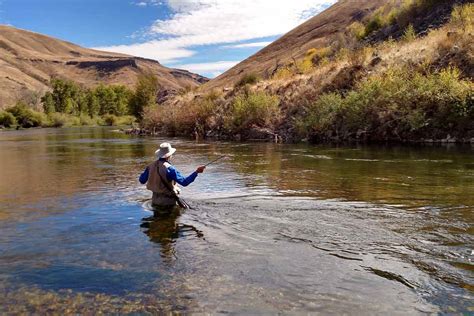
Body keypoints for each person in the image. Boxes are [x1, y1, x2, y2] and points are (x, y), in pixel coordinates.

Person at [139, 142, 205, 207]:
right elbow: (184, 182)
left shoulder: (150, 166)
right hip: (168, 202)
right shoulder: (169, 168)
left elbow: (142, 180)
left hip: (155, 200)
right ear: (169, 155)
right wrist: (196, 172)